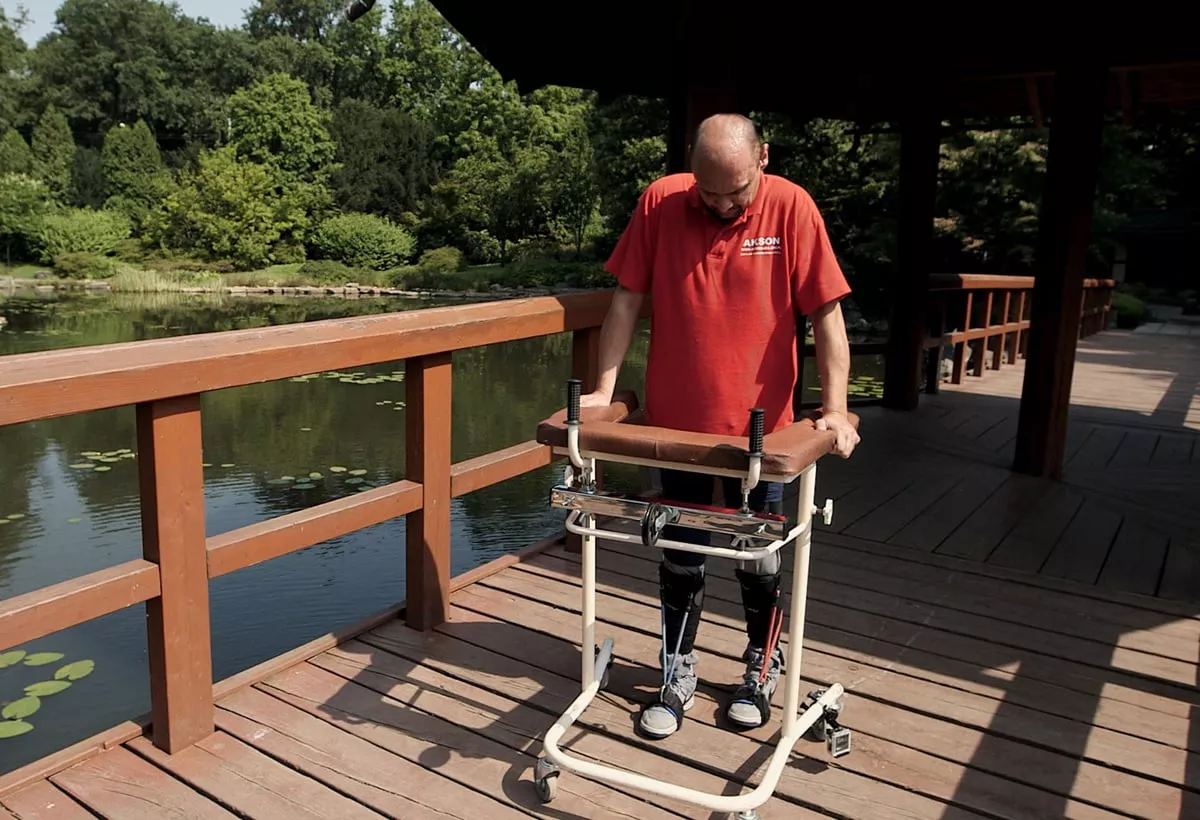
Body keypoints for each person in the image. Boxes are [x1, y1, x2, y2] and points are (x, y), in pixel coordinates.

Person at [578, 112, 860, 739]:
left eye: (736, 192)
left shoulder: (792, 207)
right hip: (678, 431)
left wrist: (837, 409)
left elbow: (827, 315)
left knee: (758, 555)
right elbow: (625, 299)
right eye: (709, 193)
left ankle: (761, 666)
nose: (723, 205)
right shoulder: (661, 202)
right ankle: (676, 669)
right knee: (680, 548)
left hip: (763, 434)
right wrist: (603, 390)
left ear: (763, 157)